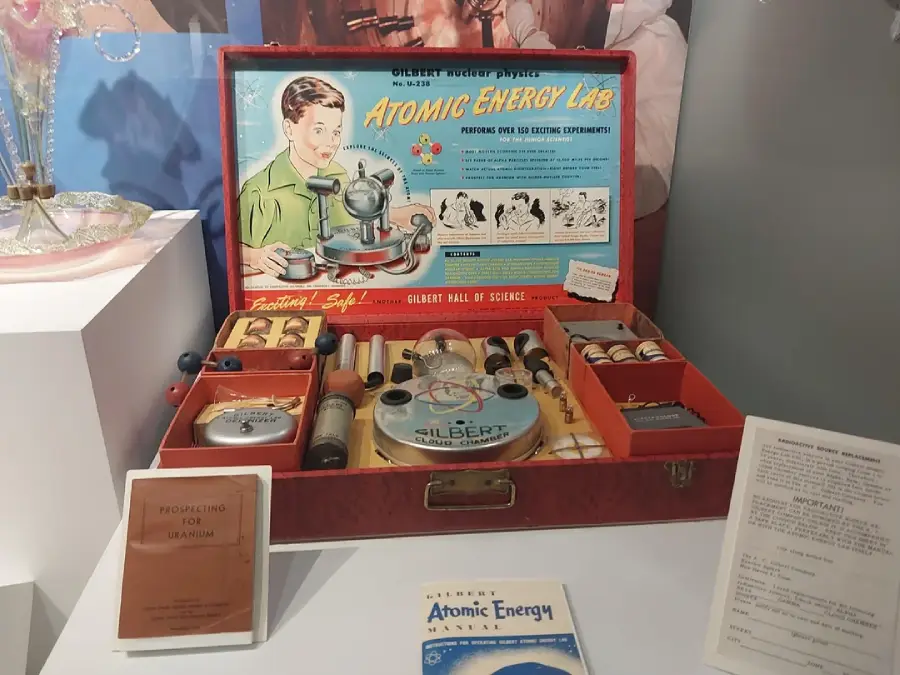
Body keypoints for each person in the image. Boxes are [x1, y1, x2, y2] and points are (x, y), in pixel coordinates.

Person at [238, 76, 432, 277]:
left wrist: (397, 215)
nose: (331, 142)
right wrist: (254, 255)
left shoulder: (337, 174)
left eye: (336, 132)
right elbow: (231, 248)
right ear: (289, 129)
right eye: (319, 130)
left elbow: (352, 216)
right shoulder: (259, 191)